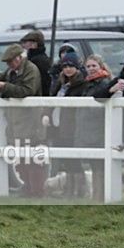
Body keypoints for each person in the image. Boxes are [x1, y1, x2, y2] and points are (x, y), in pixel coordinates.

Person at [0, 43, 45, 197]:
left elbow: (27, 91)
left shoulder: (31, 70)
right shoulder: (12, 71)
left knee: (32, 161)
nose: (9, 65)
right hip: (15, 122)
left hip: (29, 122)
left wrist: (4, 87)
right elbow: (0, 80)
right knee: (20, 160)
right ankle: (28, 188)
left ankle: (37, 192)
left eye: (10, 61)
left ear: (18, 58)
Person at [46, 51, 87, 198]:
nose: (68, 69)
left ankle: (78, 191)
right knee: (65, 160)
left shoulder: (81, 84)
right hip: (58, 126)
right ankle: (69, 190)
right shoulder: (60, 83)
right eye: (65, 66)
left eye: (71, 66)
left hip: (71, 127)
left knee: (73, 160)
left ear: (76, 67)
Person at [74, 54, 113, 201]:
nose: (91, 69)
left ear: (101, 66)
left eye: (93, 66)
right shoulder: (89, 83)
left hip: (98, 130)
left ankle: (100, 197)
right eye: (88, 66)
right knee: (95, 164)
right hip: (88, 129)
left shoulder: (103, 83)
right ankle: (97, 196)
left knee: (99, 165)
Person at [20, 31, 51, 96]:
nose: (23, 45)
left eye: (25, 43)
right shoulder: (40, 59)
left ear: (34, 44)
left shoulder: (37, 62)